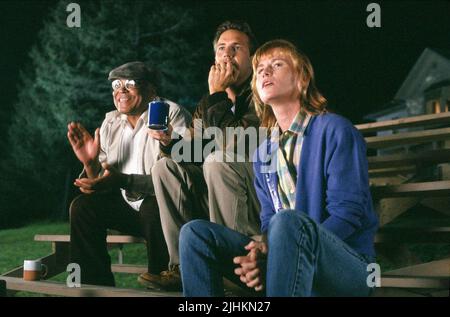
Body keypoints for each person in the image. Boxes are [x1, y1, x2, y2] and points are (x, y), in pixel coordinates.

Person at [179, 39, 379, 296]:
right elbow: (267, 221)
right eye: (260, 67)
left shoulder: (335, 130)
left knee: (287, 222)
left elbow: (349, 213)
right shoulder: (264, 151)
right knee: (195, 234)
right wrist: (262, 257)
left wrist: (278, 251)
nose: (265, 71)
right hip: (286, 259)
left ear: (302, 79)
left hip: (349, 268)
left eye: (277, 64)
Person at [138, 21, 261, 291]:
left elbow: (239, 145)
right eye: (221, 48)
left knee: (218, 162)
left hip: (255, 194)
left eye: (236, 48)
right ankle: (184, 266)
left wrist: (217, 95)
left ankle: (239, 267)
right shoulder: (208, 104)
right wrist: (171, 143)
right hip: (217, 194)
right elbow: (195, 152)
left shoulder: (261, 94)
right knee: (165, 167)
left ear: (252, 58)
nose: (227, 55)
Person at [67, 61, 191, 286]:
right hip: (128, 206)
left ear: (151, 89)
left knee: (152, 207)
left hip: (165, 210)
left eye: (130, 84)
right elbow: (103, 177)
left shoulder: (171, 115)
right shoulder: (111, 121)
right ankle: (93, 286)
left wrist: (124, 180)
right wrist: (90, 164)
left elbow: (178, 180)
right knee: (82, 207)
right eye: (116, 85)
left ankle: (162, 279)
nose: (120, 91)